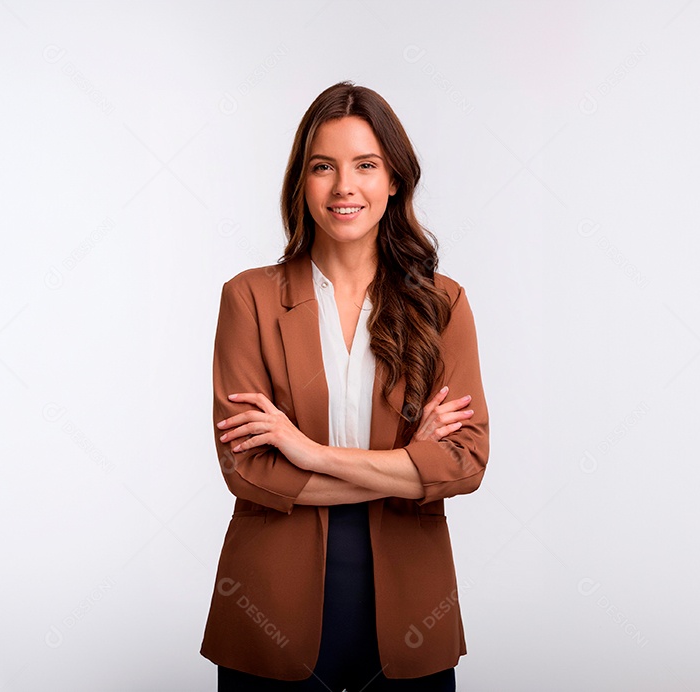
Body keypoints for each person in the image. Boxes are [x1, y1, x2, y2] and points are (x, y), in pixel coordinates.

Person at [201, 80, 490, 691]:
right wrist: (409, 468)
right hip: (271, 608)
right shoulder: (248, 300)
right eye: (323, 167)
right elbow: (249, 469)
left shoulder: (443, 305)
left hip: (411, 604)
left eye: (365, 165)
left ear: (395, 181)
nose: (343, 187)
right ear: (301, 184)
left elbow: (464, 463)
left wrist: (310, 453)